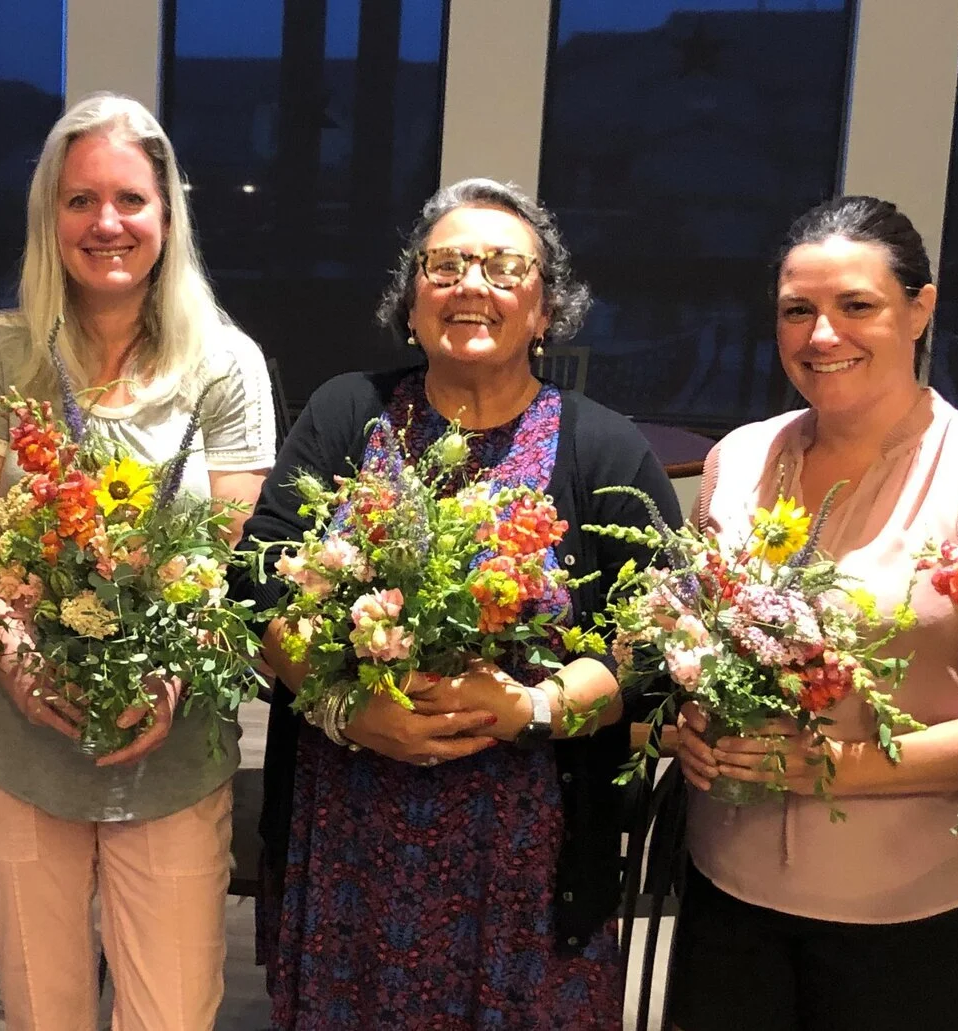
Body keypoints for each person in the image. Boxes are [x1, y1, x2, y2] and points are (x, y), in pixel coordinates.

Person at [243, 176, 678, 1030]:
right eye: (446, 265)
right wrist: (346, 707)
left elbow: (662, 639)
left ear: (546, 310)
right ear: (410, 302)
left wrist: (539, 707)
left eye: (504, 266)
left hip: (529, 869)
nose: (472, 284)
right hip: (349, 850)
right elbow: (257, 585)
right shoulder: (348, 414)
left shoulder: (604, 447)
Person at [663, 196, 958, 1031]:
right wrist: (685, 722)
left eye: (857, 307)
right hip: (727, 904)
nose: (821, 336)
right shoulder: (738, 460)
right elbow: (684, 644)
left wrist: (840, 766)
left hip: (916, 920)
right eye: (797, 311)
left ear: (921, 308)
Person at [0, 92, 276, 1030]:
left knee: (170, 1009)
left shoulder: (226, 363)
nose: (107, 223)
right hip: (16, 742)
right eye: (80, 200)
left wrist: (164, 677)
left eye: (130, 198)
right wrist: (11, 662)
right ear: (51, 216)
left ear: (167, 215)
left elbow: (218, 562)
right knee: (43, 1009)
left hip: (171, 747)